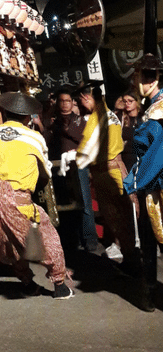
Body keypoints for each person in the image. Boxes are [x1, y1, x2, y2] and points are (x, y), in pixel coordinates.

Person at [0, 91, 74, 299]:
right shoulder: (34, 138)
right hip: (17, 199)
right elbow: (45, 172)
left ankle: (27, 282)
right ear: (27, 117)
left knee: (8, 241)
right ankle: (59, 285)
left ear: (4, 112)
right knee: (47, 237)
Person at [75, 83, 140, 276]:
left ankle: (133, 265)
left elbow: (85, 152)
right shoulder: (112, 115)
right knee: (124, 218)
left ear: (87, 98)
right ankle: (132, 262)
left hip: (106, 173)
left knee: (117, 220)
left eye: (81, 100)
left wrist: (73, 157)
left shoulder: (97, 118)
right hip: (117, 170)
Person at [124, 54, 163, 309]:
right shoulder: (154, 105)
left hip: (156, 183)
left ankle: (150, 292)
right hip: (154, 180)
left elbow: (154, 154)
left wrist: (133, 182)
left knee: (153, 238)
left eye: (139, 74)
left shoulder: (158, 110)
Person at [44, 89, 103, 255]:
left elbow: (83, 139)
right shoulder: (53, 122)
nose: (64, 104)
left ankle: (89, 240)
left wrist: (66, 130)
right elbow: (46, 140)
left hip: (78, 165)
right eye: (61, 101)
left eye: (67, 101)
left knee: (84, 201)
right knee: (61, 202)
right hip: (57, 166)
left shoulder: (79, 120)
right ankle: (69, 240)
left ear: (72, 103)